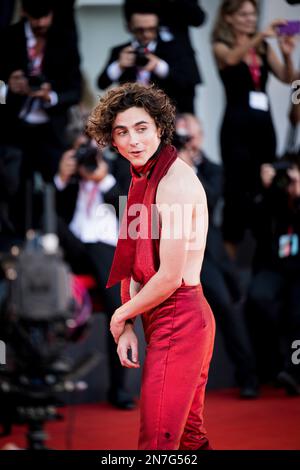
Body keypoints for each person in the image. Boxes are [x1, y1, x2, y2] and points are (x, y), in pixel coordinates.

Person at [86, 82, 215, 450]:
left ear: (160, 127)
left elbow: (170, 277)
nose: (133, 140)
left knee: (157, 445)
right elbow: (130, 261)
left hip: (182, 317)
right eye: (121, 132)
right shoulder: (142, 176)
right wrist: (127, 322)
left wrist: (117, 316)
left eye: (141, 128)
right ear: (111, 139)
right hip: (164, 315)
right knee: (189, 440)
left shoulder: (174, 183)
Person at [175, 113, 259, 398]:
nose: (188, 141)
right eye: (181, 135)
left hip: (205, 254)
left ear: (201, 136)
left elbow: (210, 199)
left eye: (191, 135)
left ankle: (248, 376)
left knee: (225, 308)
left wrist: (190, 170)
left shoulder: (212, 169)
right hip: (173, 252)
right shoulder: (165, 168)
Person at [54, 134, 135, 409]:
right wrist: (62, 180)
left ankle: (119, 388)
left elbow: (133, 215)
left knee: (118, 309)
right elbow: (52, 216)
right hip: (72, 246)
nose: (87, 155)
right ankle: (49, 383)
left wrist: (104, 179)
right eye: (81, 150)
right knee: (52, 228)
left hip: (106, 250)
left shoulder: (121, 170)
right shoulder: (72, 179)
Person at [211, 0, 297, 260]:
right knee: (236, 194)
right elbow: (230, 58)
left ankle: (266, 259)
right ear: (228, 17)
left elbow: (288, 77)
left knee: (267, 186)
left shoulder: (262, 46)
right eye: (244, 14)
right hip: (236, 129)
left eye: (253, 14)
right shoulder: (220, 45)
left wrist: (286, 53)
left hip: (263, 126)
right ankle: (231, 264)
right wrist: (260, 34)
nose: (250, 19)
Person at [246, 153, 300, 394]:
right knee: (259, 297)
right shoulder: (276, 196)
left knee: (297, 313)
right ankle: (278, 361)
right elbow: (256, 223)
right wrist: (268, 189)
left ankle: (295, 371)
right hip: (276, 266)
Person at [97, 5, 196, 113]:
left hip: (168, 114)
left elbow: (187, 84)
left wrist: (160, 67)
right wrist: (119, 66)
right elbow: (101, 83)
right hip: (130, 112)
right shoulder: (120, 51)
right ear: (129, 27)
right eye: (140, 30)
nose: (146, 34)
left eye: (151, 29)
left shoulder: (173, 49)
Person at [123, 0, 207, 113]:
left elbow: (198, 18)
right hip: (146, 51)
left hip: (179, 60)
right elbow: (131, 13)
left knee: (182, 117)